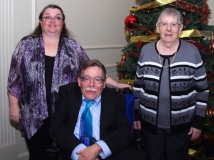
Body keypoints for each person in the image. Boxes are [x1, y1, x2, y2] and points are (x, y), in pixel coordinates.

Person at [7, 4, 131, 160]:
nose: (52, 21)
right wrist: (13, 105)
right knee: (38, 154)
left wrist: (118, 85)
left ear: (63, 22)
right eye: (47, 17)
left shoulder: (72, 47)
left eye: (57, 17)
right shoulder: (25, 45)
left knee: (63, 153)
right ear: (41, 21)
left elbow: (91, 71)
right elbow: (14, 78)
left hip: (64, 113)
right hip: (34, 115)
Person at [133, 7, 209, 160]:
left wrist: (198, 122)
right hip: (150, 126)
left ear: (180, 28)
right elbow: (138, 86)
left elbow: (202, 90)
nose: (168, 29)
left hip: (182, 127)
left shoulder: (192, 52)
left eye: (174, 24)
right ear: (157, 27)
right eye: (164, 24)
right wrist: (136, 116)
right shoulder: (146, 51)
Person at [48, 59, 145, 160]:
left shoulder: (116, 99)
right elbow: (56, 126)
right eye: (86, 78)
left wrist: (98, 147)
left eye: (97, 79)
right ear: (79, 81)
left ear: (103, 84)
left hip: (104, 149)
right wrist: (80, 153)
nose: (91, 84)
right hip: (72, 148)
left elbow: (125, 132)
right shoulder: (67, 93)